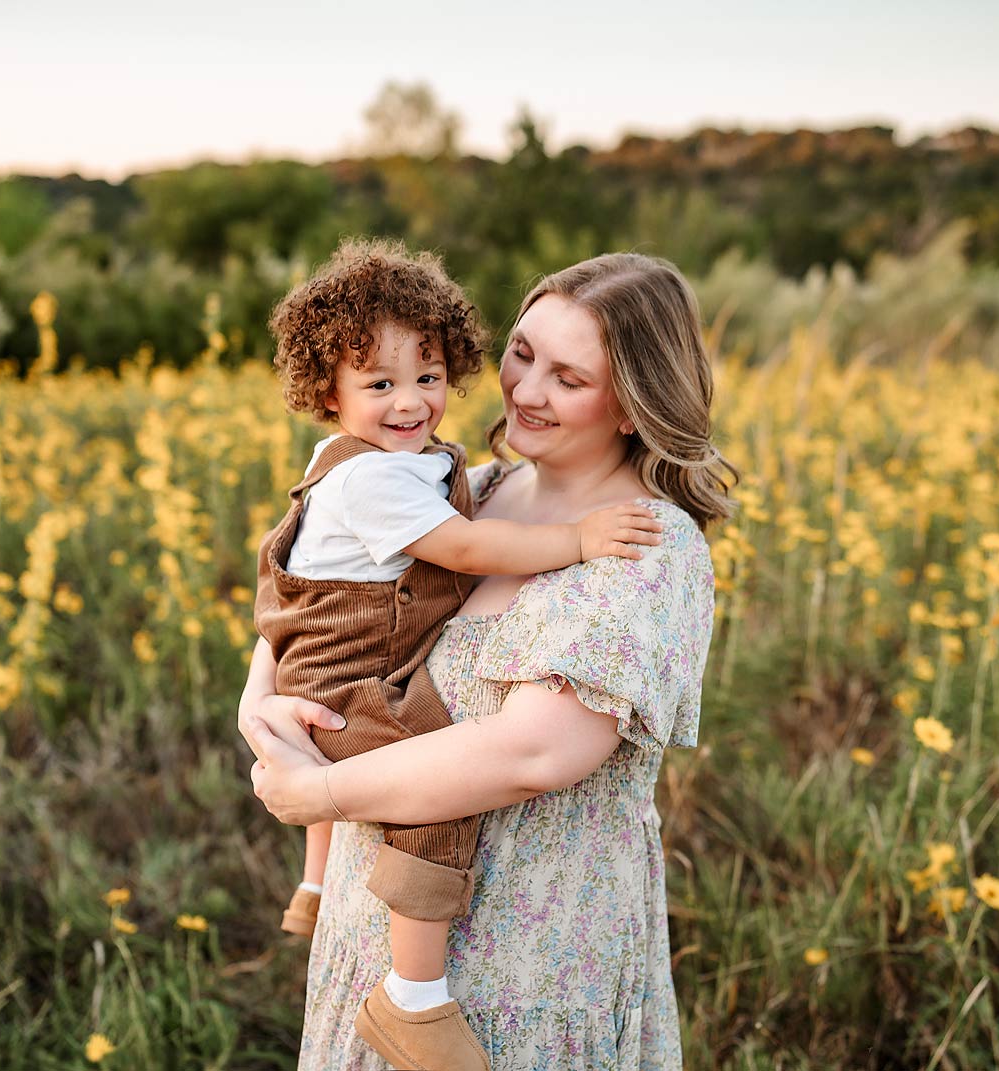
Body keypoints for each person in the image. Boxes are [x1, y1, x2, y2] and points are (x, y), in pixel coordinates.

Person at [242, 250, 739, 1069]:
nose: (526, 390)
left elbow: (535, 751)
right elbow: (308, 608)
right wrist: (258, 708)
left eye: (569, 378)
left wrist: (317, 789)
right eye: (522, 352)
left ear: (630, 405)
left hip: (530, 963)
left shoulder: (646, 544)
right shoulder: (471, 489)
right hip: (373, 939)